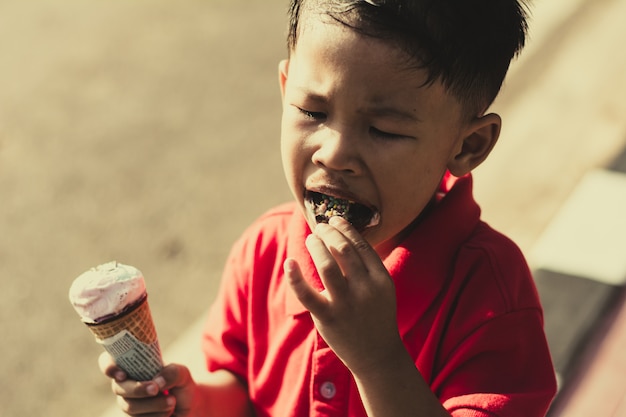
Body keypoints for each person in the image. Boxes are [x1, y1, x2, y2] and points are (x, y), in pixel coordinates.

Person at [99, 0, 557, 416]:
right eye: (313, 112)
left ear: (468, 145)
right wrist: (193, 401)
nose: (333, 154)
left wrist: (378, 360)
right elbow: (239, 386)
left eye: (384, 130)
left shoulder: (492, 298)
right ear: (285, 89)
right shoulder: (265, 253)